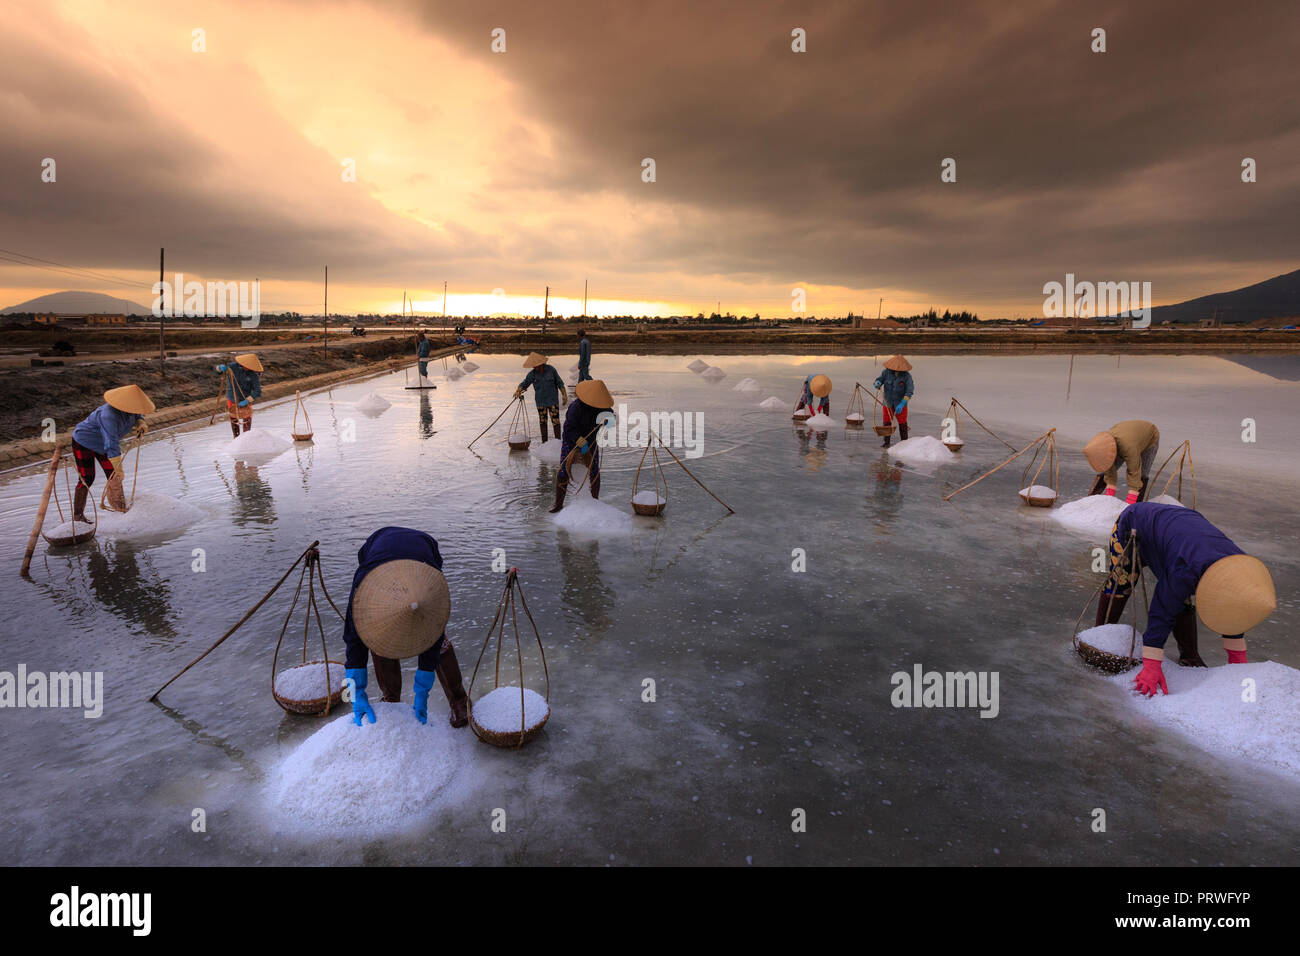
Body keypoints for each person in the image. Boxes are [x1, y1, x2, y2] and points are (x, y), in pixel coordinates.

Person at [1096, 502, 1275, 696]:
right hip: (1135, 523)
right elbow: (1161, 610)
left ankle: (1190, 657)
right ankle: (1099, 637)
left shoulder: (1238, 566)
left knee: (1182, 596)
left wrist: (1237, 659)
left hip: (1181, 529)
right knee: (1122, 583)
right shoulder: (1185, 570)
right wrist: (1151, 665)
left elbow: (1233, 607)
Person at [342, 526, 470, 727]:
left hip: (424, 557)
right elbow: (353, 646)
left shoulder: (429, 595)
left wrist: (422, 691)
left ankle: (459, 700)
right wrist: (355, 694)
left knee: (436, 637)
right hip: (378, 551)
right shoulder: (362, 594)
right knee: (378, 638)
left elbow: (433, 641)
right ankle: (391, 697)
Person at [70, 384, 154, 519]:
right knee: (87, 478)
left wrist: (140, 422)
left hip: (103, 444)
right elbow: (111, 443)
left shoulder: (130, 409)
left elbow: (137, 414)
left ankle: (120, 509)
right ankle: (78, 516)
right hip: (84, 441)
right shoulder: (108, 416)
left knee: (114, 477)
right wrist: (118, 467)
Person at [551, 379, 615, 513]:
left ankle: (595, 501)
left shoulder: (603, 407)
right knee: (564, 471)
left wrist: (608, 420)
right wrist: (578, 439)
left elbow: (611, 417)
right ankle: (558, 504)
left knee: (594, 470)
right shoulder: (576, 407)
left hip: (591, 441)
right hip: (572, 441)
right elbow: (568, 428)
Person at [1084, 420, 1160, 503]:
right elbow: (1109, 467)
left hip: (1149, 436)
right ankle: (1091, 498)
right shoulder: (1105, 442)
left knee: (1141, 474)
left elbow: (1134, 472)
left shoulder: (1129, 448)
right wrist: (1109, 499)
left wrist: (1128, 504)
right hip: (1126, 434)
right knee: (1107, 467)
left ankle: (1135, 507)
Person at [514, 352, 568, 442]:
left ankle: (558, 442)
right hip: (540, 402)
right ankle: (544, 443)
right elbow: (525, 383)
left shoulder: (551, 370)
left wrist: (564, 394)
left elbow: (560, 382)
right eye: (534, 366)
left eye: (536, 366)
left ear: (541, 364)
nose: (535, 368)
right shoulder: (532, 374)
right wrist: (518, 390)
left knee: (556, 422)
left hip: (552, 401)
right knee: (543, 422)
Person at [215, 353, 263, 438]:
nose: (248, 368)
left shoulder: (253, 375)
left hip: (245, 398)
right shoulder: (232, 367)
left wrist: (246, 401)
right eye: (247, 366)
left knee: (247, 421)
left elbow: (257, 391)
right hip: (232, 398)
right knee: (234, 420)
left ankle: (246, 438)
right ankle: (236, 437)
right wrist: (219, 368)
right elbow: (216, 371)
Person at [873, 355, 914, 447]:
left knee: (902, 423)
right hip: (888, 403)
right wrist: (877, 383)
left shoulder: (907, 376)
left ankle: (904, 442)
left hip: (900, 403)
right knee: (887, 422)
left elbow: (909, 391)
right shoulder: (886, 373)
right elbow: (879, 380)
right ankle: (886, 442)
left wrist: (903, 403)